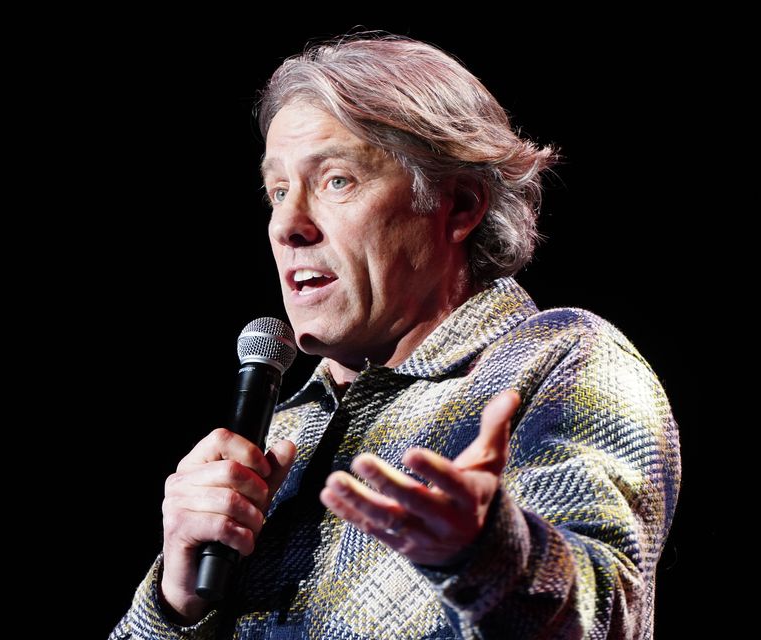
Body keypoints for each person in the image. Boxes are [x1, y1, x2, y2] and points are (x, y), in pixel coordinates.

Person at [110, 34, 680, 639]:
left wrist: (490, 553)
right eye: (277, 191)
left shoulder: (561, 360)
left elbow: (606, 615)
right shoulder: (277, 437)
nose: (286, 225)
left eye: (336, 180)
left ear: (457, 205)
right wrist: (173, 604)